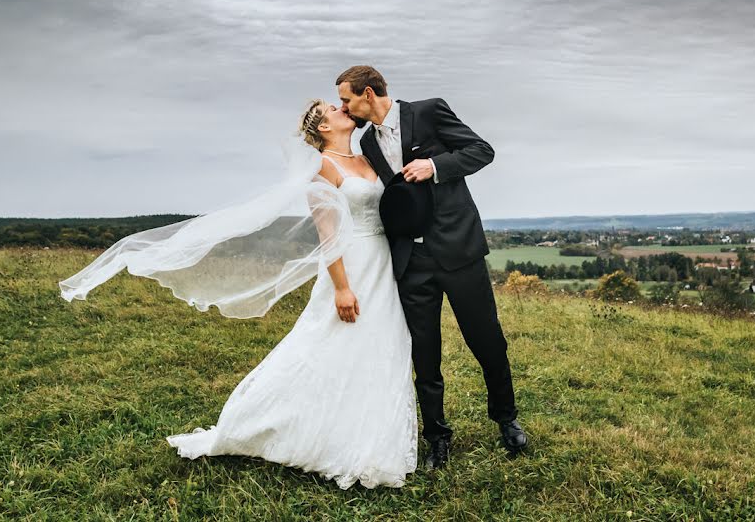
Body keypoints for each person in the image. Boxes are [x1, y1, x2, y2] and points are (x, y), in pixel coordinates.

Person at [59, 99, 417, 489]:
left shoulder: (368, 159)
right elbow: (327, 234)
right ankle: (269, 423)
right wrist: (342, 288)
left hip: (383, 261)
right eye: (334, 107)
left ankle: (368, 431)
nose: (343, 108)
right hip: (350, 265)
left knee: (380, 343)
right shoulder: (321, 169)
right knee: (329, 341)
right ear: (324, 127)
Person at [336, 65, 527, 470]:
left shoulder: (428, 112)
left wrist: (435, 167)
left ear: (368, 94)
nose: (344, 107)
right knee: (424, 356)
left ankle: (506, 419)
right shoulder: (367, 142)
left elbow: (481, 151)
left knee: (487, 340)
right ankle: (437, 438)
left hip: (459, 251)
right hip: (411, 261)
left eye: (346, 99)